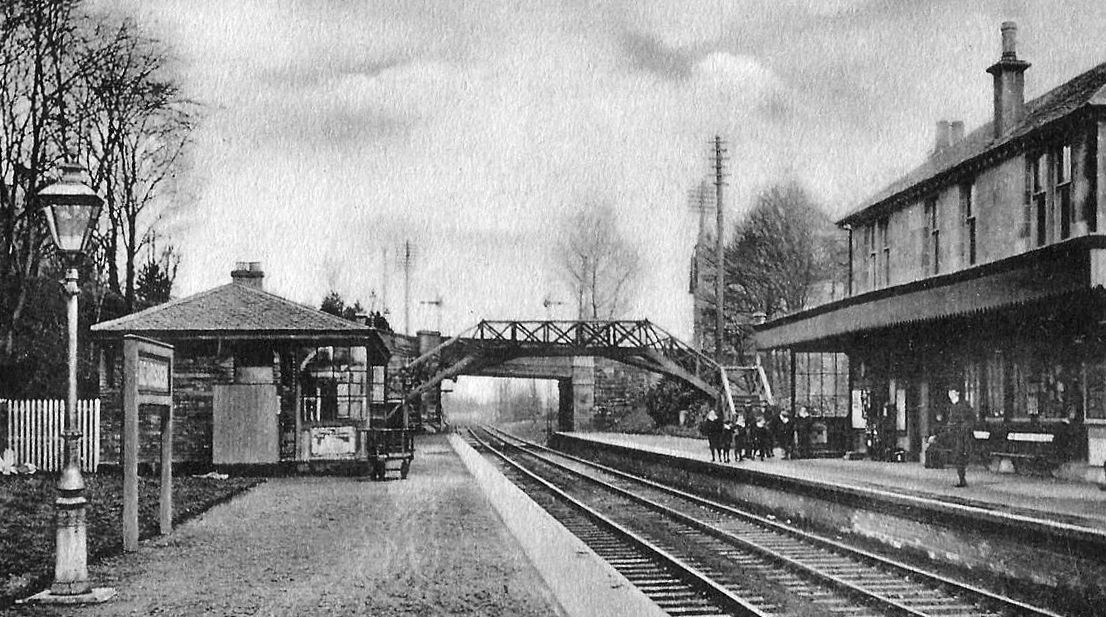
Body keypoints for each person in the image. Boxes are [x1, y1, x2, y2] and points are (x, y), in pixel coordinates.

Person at [946, 387, 975, 487]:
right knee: (957, 456)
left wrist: (962, 429)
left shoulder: (963, 405)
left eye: (952, 391)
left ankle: (962, 479)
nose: (950, 394)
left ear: (957, 392)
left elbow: (969, 419)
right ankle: (961, 478)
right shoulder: (951, 406)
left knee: (959, 456)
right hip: (954, 435)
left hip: (961, 435)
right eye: (949, 392)